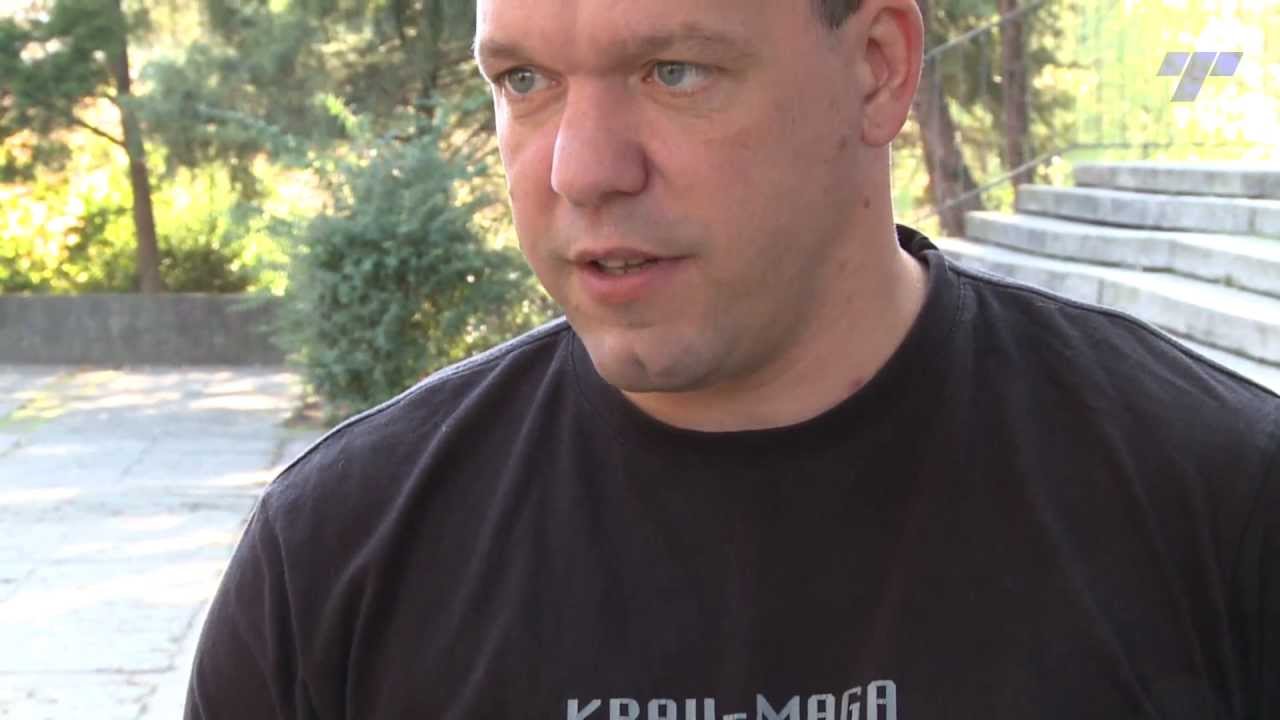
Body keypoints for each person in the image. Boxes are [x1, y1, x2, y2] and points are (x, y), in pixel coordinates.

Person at [184, 0, 1279, 717]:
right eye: (523, 82)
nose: (580, 169)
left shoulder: (1220, 504)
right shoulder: (335, 552)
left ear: (876, 70)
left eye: (673, 71)